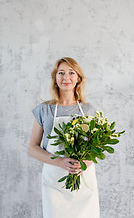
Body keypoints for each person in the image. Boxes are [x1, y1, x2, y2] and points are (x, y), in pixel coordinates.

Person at [29, 57, 100, 218]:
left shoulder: (89, 110)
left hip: (83, 181)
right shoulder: (43, 110)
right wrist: (60, 161)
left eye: (71, 73)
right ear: (55, 78)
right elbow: (33, 147)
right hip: (54, 181)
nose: (66, 77)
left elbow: (97, 147)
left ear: (78, 78)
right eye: (61, 72)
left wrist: (85, 163)